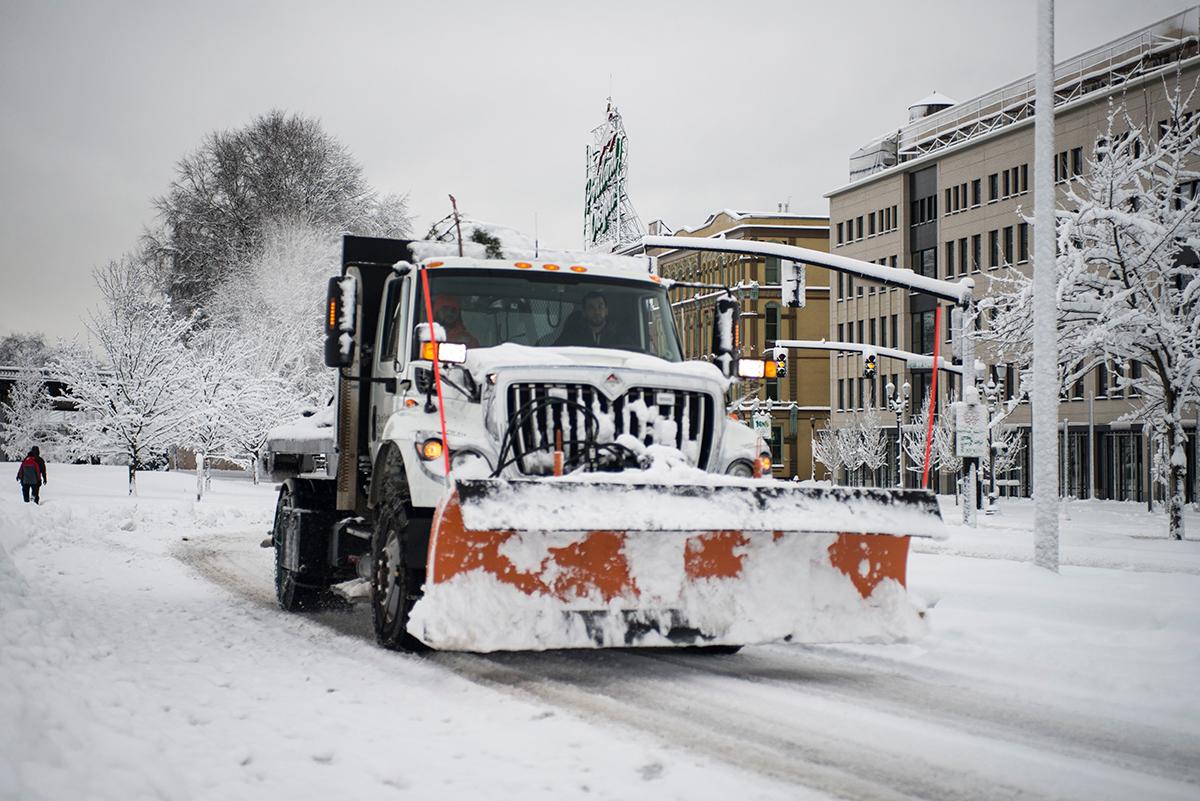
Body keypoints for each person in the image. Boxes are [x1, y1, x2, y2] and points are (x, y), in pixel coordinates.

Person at [555, 292, 631, 348]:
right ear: (584, 312)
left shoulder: (620, 336)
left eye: (600, 307)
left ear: (606, 311)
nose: (597, 312)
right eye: (591, 308)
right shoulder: (572, 336)